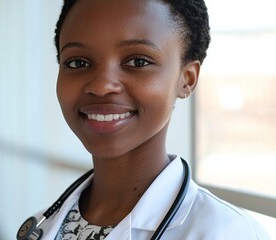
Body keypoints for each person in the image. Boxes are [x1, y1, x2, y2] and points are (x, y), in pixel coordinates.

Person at [18, 0, 270, 239]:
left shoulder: (228, 233)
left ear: (187, 79)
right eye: (78, 62)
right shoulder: (42, 225)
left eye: (138, 61)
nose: (102, 86)